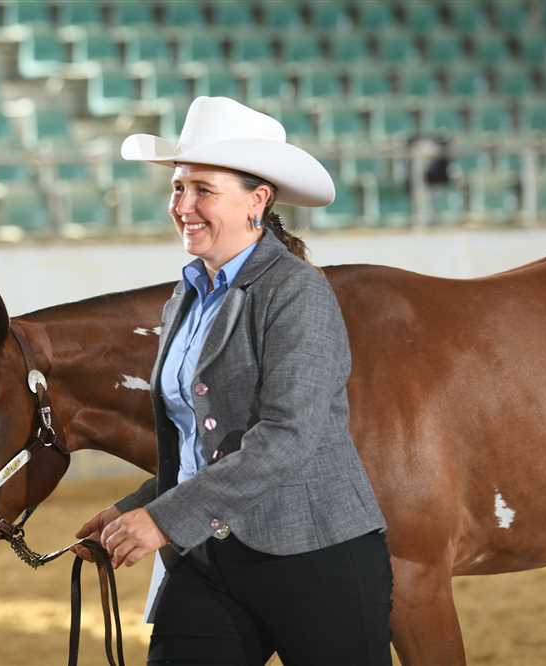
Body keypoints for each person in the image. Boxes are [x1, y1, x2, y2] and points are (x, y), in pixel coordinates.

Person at [74, 96, 392, 665]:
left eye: (203, 189)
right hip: (208, 557)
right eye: (178, 187)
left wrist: (164, 519)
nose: (183, 206)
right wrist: (137, 506)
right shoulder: (185, 297)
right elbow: (203, 445)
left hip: (318, 555)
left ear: (258, 201)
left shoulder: (297, 291)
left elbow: (287, 437)